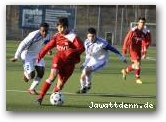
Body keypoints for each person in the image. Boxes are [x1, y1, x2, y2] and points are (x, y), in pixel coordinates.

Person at [36, 17, 85, 105]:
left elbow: (82, 48)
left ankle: (54, 97)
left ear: (67, 27)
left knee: (60, 85)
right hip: (59, 59)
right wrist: (39, 56)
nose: (61, 29)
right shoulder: (56, 36)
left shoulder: (72, 36)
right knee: (52, 77)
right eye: (59, 27)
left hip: (70, 63)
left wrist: (71, 51)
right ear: (57, 26)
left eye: (63, 27)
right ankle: (40, 97)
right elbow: (48, 47)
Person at [76, 27, 127, 94]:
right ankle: (83, 88)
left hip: (101, 61)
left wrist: (122, 58)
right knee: (83, 74)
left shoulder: (102, 43)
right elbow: (88, 55)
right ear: (87, 36)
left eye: (93, 36)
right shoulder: (86, 42)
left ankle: (87, 86)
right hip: (92, 60)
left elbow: (114, 49)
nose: (91, 38)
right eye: (89, 36)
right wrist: (84, 64)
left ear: (95, 35)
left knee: (87, 70)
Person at [10, 22, 51, 95]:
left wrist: (48, 50)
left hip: (37, 54)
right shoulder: (33, 35)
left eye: (46, 31)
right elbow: (22, 44)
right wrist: (16, 56)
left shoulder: (48, 35)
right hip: (27, 54)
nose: (44, 33)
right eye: (43, 31)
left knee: (41, 72)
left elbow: (47, 43)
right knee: (31, 75)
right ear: (40, 30)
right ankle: (26, 73)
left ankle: (32, 89)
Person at [121, 17, 151, 84]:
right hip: (132, 49)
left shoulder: (145, 32)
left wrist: (144, 52)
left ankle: (125, 71)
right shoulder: (133, 30)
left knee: (136, 65)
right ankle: (137, 78)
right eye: (141, 22)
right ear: (138, 23)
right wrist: (124, 50)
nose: (142, 24)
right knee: (137, 64)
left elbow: (147, 42)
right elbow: (126, 40)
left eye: (143, 23)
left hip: (139, 50)